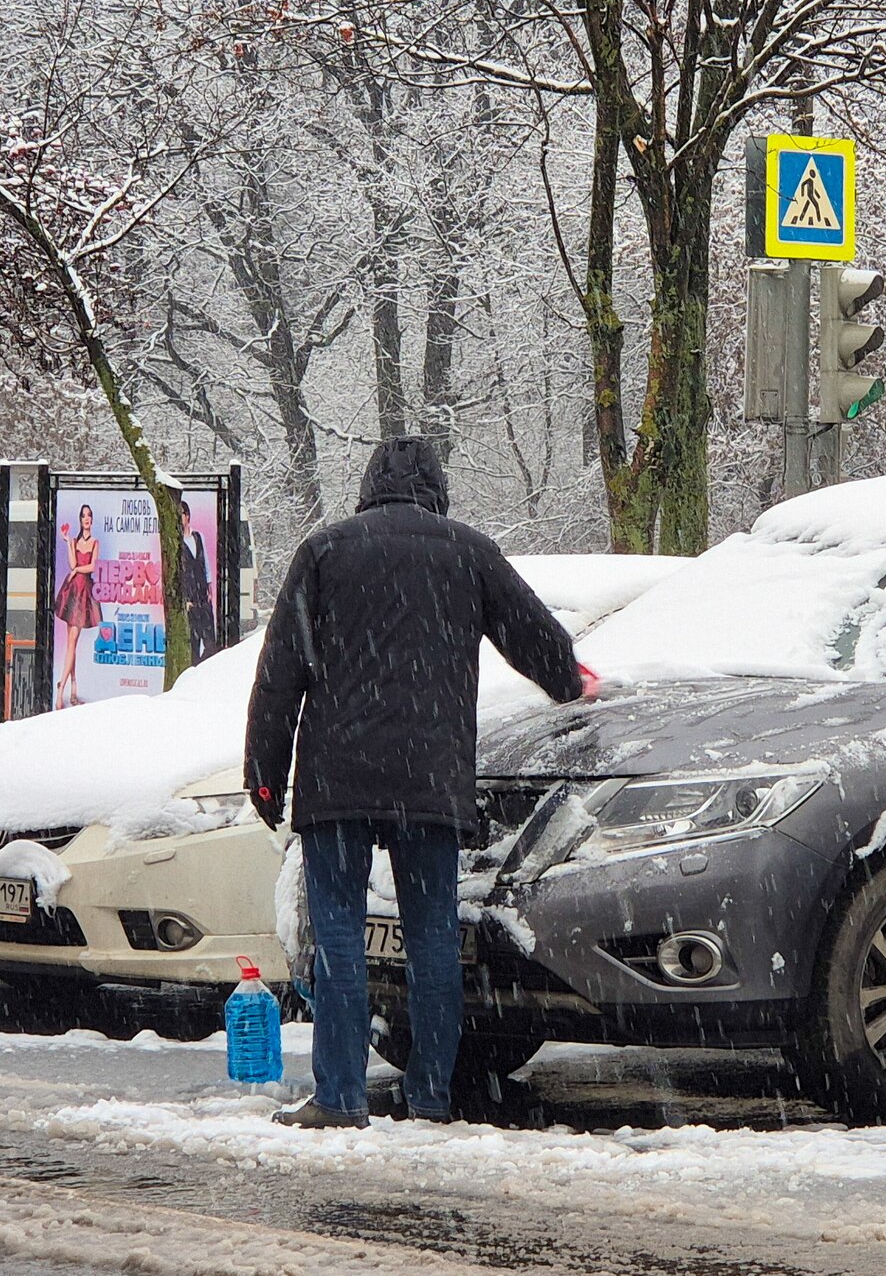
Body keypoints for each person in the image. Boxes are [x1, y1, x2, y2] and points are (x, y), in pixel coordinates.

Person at [246, 437, 586, 1129]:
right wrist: (572, 684)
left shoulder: (325, 551)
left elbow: (280, 673)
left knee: (338, 936)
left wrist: (265, 777)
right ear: (437, 488)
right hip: (428, 780)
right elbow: (538, 639)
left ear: (369, 486)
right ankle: (430, 1094)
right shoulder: (468, 552)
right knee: (432, 938)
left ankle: (340, 1096)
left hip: (338, 780)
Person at [53, 504, 102, 708]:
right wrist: (67, 542)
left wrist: (76, 571)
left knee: (72, 642)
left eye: (89, 515)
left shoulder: (95, 542)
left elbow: (91, 566)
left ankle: (61, 689)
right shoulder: (74, 541)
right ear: (80, 519)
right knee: (71, 643)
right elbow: (73, 564)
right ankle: (71, 689)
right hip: (73, 591)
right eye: (83, 516)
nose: (86, 519)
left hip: (83, 593)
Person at [177, 497, 218, 663]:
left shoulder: (198, 536)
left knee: (210, 642)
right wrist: (184, 599)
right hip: (189, 598)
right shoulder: (177, 542)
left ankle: (205, 668)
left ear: (187, 516)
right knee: (193, 645)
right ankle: (194, 671)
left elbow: (205, 561)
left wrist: (209, 586)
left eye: (181, 513)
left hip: (203, 595)